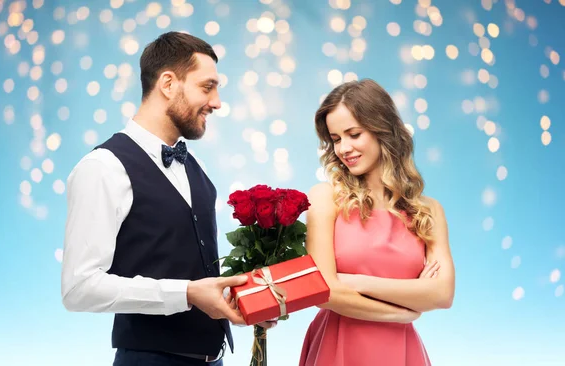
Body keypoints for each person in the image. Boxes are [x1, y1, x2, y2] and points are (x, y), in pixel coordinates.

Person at [61, 31, 275, 366]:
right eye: (207, 87)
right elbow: (79, 289)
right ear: (168, 84)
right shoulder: (103, 167)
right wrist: (187, 294)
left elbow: (188, 261)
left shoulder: (196, 166)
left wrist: (246, 299)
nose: (217, 102)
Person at [299, 79, 455, 366]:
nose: (343, 148)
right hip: (338, 345)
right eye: (335, 139)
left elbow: (442, 294)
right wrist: (404, 310)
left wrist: (354, 281)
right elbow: (322, 293)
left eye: (354, 134)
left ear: (383, 130)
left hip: (402, 349)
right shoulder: (325, 198)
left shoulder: (428, 211)